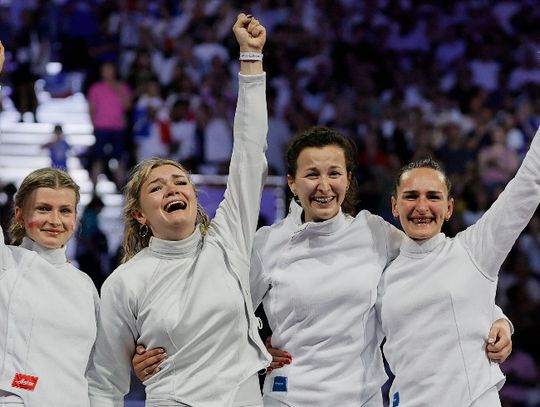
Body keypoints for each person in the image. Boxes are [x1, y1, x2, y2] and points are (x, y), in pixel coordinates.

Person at [250, 127, 512, 406]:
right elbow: (229, 312)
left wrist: (497, 319)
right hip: (288, 398)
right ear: (292, 182)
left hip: (363, 399)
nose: (324, 186)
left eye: (334, 174)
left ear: (348, 180)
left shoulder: (373, 232)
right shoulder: (267, 244)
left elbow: (437, 267)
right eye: (312, 174)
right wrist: (255, 349)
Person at [87, 14, 271, 407]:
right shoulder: (125, 282)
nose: (172, 188)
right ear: (139, 214)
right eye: (156, 187)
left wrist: (250, 59)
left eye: (180, 181)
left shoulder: (228, 241)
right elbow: (104, 382)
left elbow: (249, 153)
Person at [376, 125, 540, 406]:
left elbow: (528, 184)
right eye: (411, 196)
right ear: (394, 206)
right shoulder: (378, 272)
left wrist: (498, 317)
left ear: (450, 208)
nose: (422, 206)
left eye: (433, 196)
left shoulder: (474, 250)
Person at [0, 168, 99, 406]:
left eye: (65, 211)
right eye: (43, 209)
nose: (55, 221)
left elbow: (99, 369)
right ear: (20, 214)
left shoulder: (85, 285)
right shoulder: (5, 262)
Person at [87, 60, 132, 191]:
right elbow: (91, 108)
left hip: (118, 128)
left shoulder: (123, 87)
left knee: (119, 158)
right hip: (101, 127)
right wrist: (94, 123)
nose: (107, 72)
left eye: (110, 69)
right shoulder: (95, 88)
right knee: (98, 158)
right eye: (105, 69)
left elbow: (128, 106)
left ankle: (121, 187)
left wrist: (117, 89)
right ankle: (94, 188)